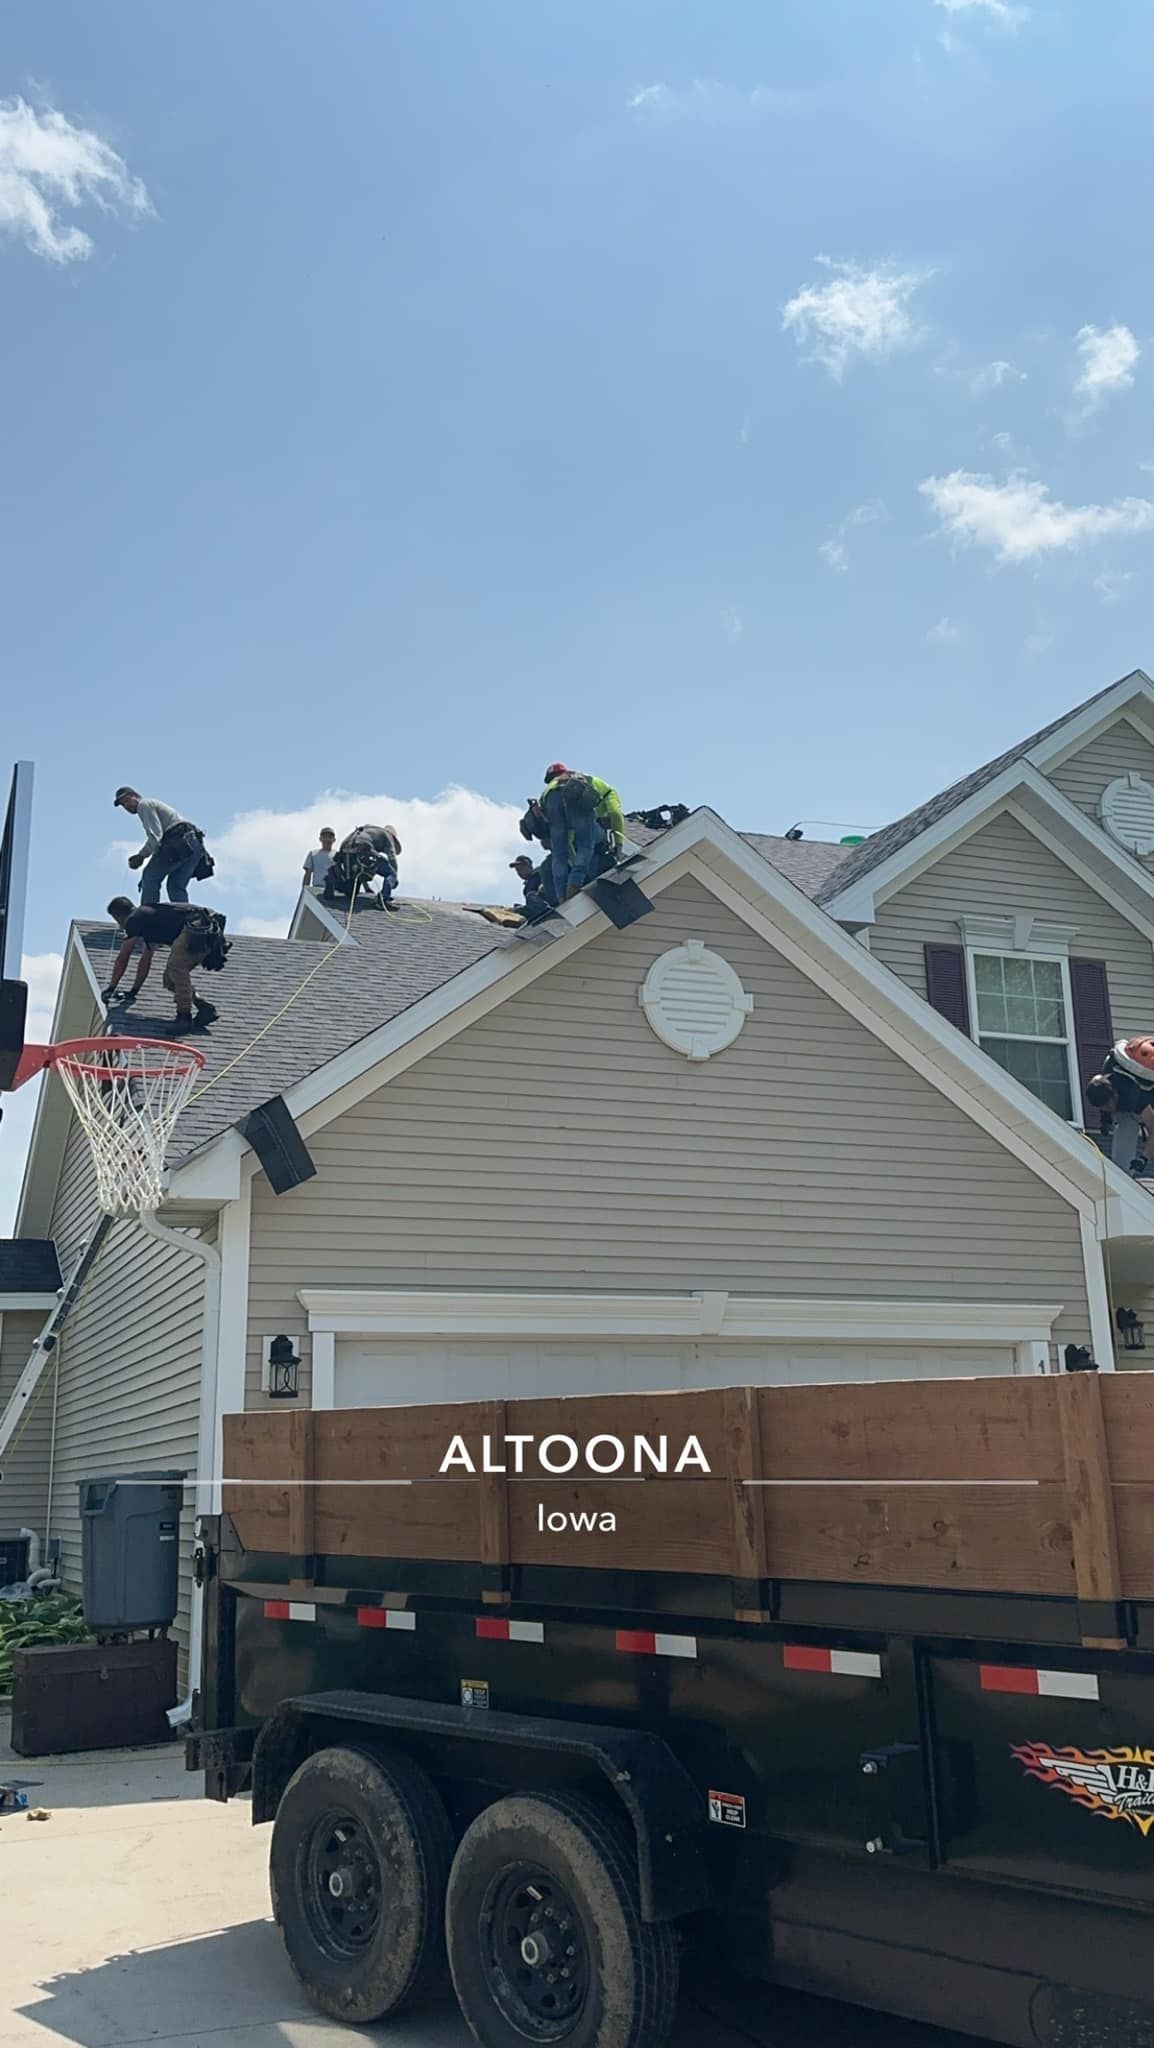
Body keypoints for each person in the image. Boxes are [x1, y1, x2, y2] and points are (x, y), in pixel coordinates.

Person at [103, 897, 220, 1035]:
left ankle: (184, 1018)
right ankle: (204, 1008)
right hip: (206, 928)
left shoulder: (134, 919)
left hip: (198, 925)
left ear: (118, 916)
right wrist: (133, 991)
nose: (120, 925)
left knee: (176, 966)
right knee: (170, 980)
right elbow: (145, 960)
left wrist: (111, 988)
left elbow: (123, 958)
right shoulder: (149, 919)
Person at [539, 765, 625, 901]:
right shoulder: (599, 786)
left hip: (550, 802)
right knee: (585, 844)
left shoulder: (548, 789)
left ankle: (561, 895)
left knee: (559, 853)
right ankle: (574, 885)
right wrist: (619, 844)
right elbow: (615, 813)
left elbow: (567, 842)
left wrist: (572, 865)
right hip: (576, 793)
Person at [114, 787, 211, 906]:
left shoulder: (144, 805)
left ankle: (147, 917)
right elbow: (159, 845)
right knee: (175, 885)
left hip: (180, 840)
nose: (126, 806)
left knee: (150, 877)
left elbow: (155, 836)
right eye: (123, 805)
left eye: (127, 800)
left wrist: (141, 856)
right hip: (194, 845)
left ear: (136, 796)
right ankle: (184, 917)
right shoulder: (152, 805)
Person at [1087, 1039, 1154, 1171]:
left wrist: (1143, 1158)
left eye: (1106, 1106)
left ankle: (1123, 1174)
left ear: (1115, 1096)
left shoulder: (1136, 1096)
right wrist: (1105, 1119)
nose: (1105, 1109)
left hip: (1143, 1098)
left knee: (1127, 1121)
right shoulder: (1107, 1072)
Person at [325, 824, 402, 909]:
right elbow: (392, 859)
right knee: (391, 873)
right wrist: (394, 879)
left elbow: (363, 872)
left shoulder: (367, 830)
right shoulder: (387, 836)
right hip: (364, 850)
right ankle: (383, 899)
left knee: (351, 891)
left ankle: (332, 879)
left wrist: (366, 887)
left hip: (346, 852)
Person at [509, 854, 556, 921]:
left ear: (528, 865)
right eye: (517, 870)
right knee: (517, 909)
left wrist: (544, 884)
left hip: (550, 900)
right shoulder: (526, 889)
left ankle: (549, 913)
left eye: (521, 868)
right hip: (537, 907)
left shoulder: (540, 872)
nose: (519, 872)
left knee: (531, 896)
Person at [303, 827, 336, 892]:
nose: (327, 839)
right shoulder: (313, 854)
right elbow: (308, 873)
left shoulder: (337, 855)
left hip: (334, 890)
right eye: (324, 837)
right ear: (320, 839)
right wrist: (305, 890)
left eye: (329, 837)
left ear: (334, 840)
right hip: (317, 888)